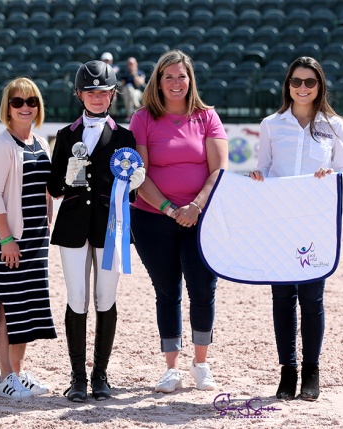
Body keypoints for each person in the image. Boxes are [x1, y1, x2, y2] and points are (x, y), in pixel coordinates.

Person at [249, 57, 343, 401]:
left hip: (316, 223)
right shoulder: (270, 124)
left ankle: (312, 371)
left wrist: (332, 179)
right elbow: (264, 166)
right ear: (288, 85)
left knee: (312, 299)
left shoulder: (335, 125)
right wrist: (259, 176)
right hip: (280, 223)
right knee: (282, 298)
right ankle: (287, 371)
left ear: (319, 85)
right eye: (297, 81)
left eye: (310, 82)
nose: (303, 88)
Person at [129, 50, 229, 394]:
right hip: (152, 218)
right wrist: (172, 209)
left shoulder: (208, 116)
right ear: (157, 81)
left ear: (191, 80)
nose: (175, 83)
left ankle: (201, 363)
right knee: (167, 291)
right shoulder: (141, 118)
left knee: (203, 289)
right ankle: (171, 368)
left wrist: (196, 207)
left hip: (201, 219)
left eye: (181, 76)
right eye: (168, 76)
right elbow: (138, 174)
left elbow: (219, 170)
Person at [47, 60, 145, 402]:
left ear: (113, 94)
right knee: (77, 298)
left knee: (106, 299)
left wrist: (134, 180)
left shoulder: (125, 136)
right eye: (90, 92)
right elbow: (55, 187)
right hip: (73, 227)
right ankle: (76, 377)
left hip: (110, 226)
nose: (97, 98)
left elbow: (129, 192)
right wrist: (73, 167)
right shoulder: (65, 136)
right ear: (79, 95)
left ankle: (100, 375)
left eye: (103, 92)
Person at [0, 77, 57, 400]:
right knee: (6, 307)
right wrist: (6, 239)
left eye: (31, 102)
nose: (25, 107)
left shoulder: (41, 143)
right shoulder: (1, 144)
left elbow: (47, 188)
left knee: (26, 307)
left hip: (36, 239)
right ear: (8, 108)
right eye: (18, 102)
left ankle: (18, 373)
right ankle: (4, 377)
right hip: (8, 239)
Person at [120, 57, 146, 121]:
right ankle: (137, 105)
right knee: (128, 89)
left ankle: (129, 115)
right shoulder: (125, 73)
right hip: (126, 92)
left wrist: (134, 74)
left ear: (136, 64)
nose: (130, 65)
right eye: (129, 64)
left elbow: (139, 83)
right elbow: (121, 85)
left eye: (132, 64)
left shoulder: (140, 72)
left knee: (132, 92)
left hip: (137, 92)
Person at [101, 52, 120, 116]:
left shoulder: (115, 67)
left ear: (111, 61)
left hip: (114, 88)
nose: (106, 62)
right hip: (103, 88)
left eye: (108, 61)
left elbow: (115, 70)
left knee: (112, 97)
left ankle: (113, 115)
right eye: (105, 60)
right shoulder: (99, 69)